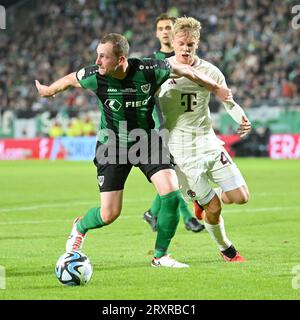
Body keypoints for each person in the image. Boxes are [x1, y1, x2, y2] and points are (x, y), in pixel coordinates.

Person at [35, 33, 231, 268]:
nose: (97, 62)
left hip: (146, 141)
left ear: (121, 59)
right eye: (97, 56)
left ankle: (160, 256)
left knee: (171, 194)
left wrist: (216, 87)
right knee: (109, 214)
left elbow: (185, 71)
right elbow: (70, 79)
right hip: (112, 146)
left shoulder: (149, 70)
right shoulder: (94, 76)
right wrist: (49, 91)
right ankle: (80, 226)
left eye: (103, 57)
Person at [144, 17, 252, 262]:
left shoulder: (211, 71)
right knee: (214, 208)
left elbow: (228, 100)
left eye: (190, 44)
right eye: (181, 43)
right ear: (172, 42)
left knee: (241, 197)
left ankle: (204, 197)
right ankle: (227, 250)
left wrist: (241, 118)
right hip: (181, 151)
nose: (185, 48)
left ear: (197, 44)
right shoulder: (160, 72)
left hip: (208, 143)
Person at [145, 13, 205, 233]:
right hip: (162, 127)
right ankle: (188, 217)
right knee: (174, 171)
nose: (165, 32)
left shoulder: (189, 59)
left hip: (188, 126)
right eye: (160, 28)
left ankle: (152, 212)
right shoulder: (153, 63)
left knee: (178, 172)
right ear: (156, 33)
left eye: (168, 27)